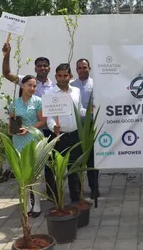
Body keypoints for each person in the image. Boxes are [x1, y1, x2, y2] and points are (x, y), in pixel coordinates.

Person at [46, 63, 87, 203]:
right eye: (59, 76)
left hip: (75, 135)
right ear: (56, 76)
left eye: (65, 75)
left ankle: (76, 197)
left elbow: (80, 109)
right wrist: (53, 127)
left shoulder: (75, 91)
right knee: (58, 169)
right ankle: (58, 199)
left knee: (75, 167)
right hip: (59, 136)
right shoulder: (49, 93)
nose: (62, 78)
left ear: (70, 76)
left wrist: (90, 112)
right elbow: (49, 117)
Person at [9, 75, 46, 217]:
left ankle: (36, 204)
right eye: (29, 85)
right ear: (22, 85)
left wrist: (29, 128)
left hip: (34, 139)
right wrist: (12, 129)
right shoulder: (14, 103)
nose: (32, 88)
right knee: (22, 173)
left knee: (36, 174)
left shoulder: (38, 101)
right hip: (18, 141)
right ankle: (27, 204)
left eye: (34, 86)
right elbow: (12, 121)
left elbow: (42, 121)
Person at [70, 58, 100, 199]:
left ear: (89, 68)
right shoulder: (71, 85)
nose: (82, 70)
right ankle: (77, 190)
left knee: (92, 159)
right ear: (76, 70)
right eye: (80, 68)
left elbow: (99, 104)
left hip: (91, 126)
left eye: (85, 67)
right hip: (76, 126)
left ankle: (94, 188)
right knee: (76, 157)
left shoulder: (96, 84)